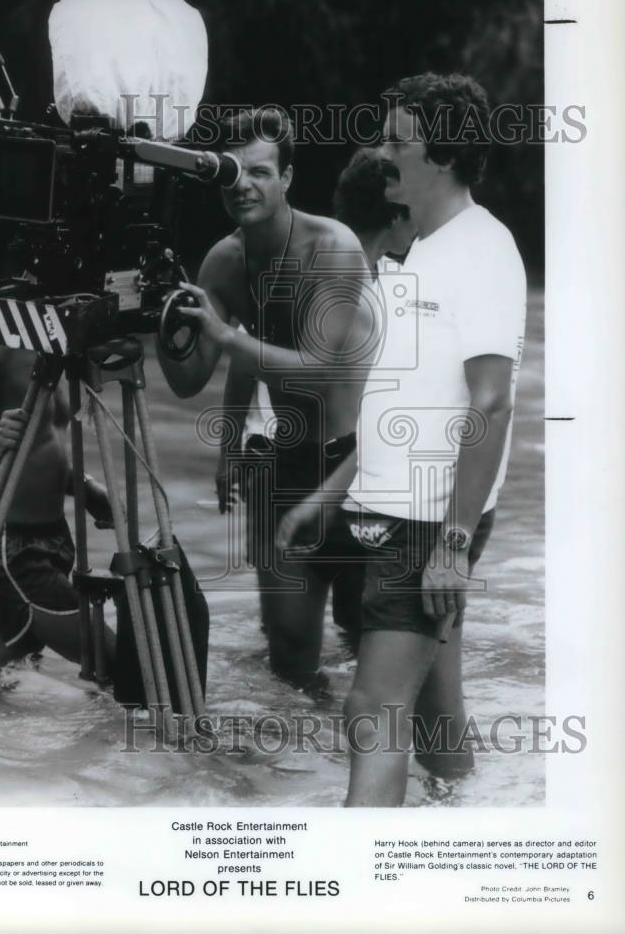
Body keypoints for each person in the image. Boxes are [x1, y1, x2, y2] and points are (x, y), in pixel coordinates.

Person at [278, 73, 527, 805]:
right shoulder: (419, 252)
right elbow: (408, 409)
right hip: (402, 512)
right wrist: (331, 495)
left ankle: (363, 891)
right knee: (433, 715)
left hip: (427, 524)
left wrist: (451, 545)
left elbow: (492, 404)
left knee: (372, 708)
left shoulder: (483, 251)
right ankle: (466, 825)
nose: (382, 152)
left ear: (442, 156)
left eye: (396, 139)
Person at [158, 107, 393, 692]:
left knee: (375, 649)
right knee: (289, 658)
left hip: (361, 467)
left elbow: (314, 370)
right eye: (232, 172)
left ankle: (377, 775)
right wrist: (162, 315)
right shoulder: (224, 260)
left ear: (287, 177)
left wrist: (225, 334)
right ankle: (300, 777)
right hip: (282, 467)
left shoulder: (332, 247)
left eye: (260, 171)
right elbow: (189, 380)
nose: (244, 185)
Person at [215, 149, 416, 641]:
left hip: (286, 457)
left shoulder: (303, 260)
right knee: (360, 633)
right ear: (397, 214)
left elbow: (247, 350)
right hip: (352, 467)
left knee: (289, 647)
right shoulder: (384, 289)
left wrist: (229, 446)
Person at [0, 341, 115, 667]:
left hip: (52, 538)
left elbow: (40, 444)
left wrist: (86, 488)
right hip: (8, 549)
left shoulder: (63, 342)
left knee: (8, 664)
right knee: (123, 669)